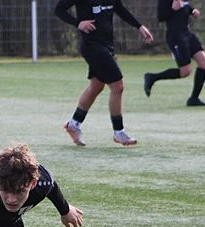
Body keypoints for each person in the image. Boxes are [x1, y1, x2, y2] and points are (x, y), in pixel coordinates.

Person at [55, 0, 154, 147]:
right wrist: (78, 23)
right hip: (91, 45)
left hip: (107, 45)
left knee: (96, 86)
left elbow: (119, 8)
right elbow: (59, 10)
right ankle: (119, 132)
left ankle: (73, 125)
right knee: (117, 85)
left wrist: (139, 26)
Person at [143, 0, 205, 107]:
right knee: (185, 71)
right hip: (175, 37)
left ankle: (194, 99)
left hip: (187, 34)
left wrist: (192, 11)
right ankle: (152, 77)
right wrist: (173, 9)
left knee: (203, 62)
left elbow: (186, 6)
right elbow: (160, 17)